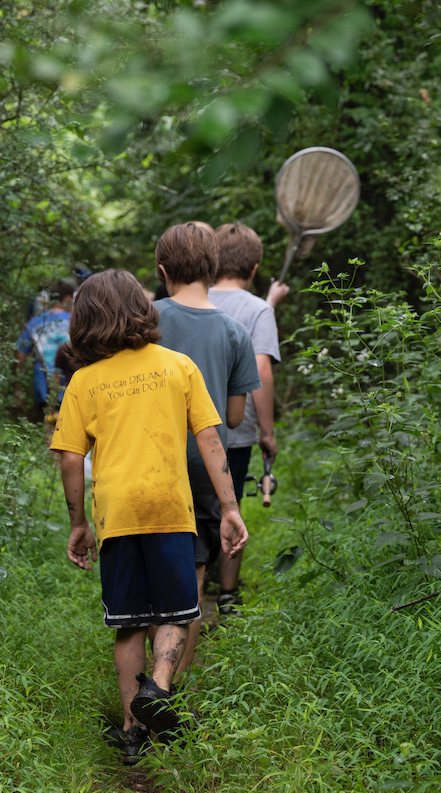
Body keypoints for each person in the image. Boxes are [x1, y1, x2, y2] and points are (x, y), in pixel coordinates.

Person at [49, 269, 248, 765]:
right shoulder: (178, 366)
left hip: (118, 514)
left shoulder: (83, 381)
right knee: (180, 613)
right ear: (143, 308)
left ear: (86, 320)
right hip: (169, 509)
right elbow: (208, 438)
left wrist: (78, 523)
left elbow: (71, 458)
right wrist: (228, 506)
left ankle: (132, 731)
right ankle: (158, 687)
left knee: (127, 624)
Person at [153, 221, 260, 676]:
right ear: (214, 268)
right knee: (193, 584)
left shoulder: (146, 320)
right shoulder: (235, 332)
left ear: (161, 271)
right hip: (204, 473)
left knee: (149, 580)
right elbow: (233, 419)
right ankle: (172, 687)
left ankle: (140, 684)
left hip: (149, 464)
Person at [208, 222, 284, 615]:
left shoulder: (194, 298)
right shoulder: (258, 309)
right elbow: (262, 370)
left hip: (188, 427)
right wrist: (267, 433)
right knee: (231, 501)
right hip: (235, 430)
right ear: (254, 268)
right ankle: (227, 592)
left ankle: (195, 572)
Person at [16, 278, 77, 415]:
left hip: (42, 381)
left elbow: (20, 354)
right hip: (72, 384)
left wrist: (17, 388)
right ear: (67, 298)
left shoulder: (36, 322)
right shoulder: (76, 323)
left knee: (48, 424)